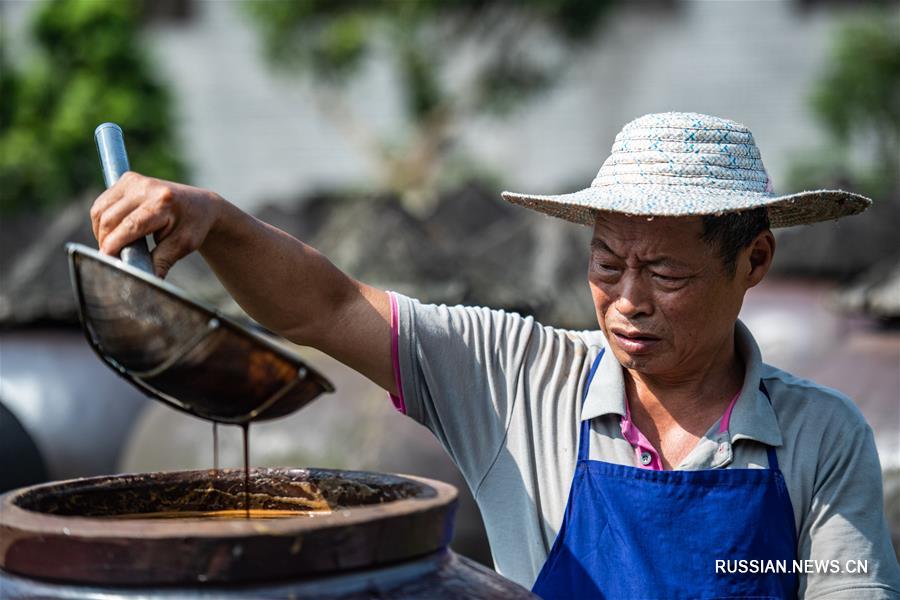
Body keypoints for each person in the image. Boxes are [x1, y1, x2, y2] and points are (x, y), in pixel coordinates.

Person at [90, 112, 900, 598]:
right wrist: (219, 221)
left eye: (666, 273)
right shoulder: (517, 375)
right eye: (607, 262)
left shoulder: (819, 438)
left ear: (753, 261)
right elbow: (329, 306)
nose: (627, 300)